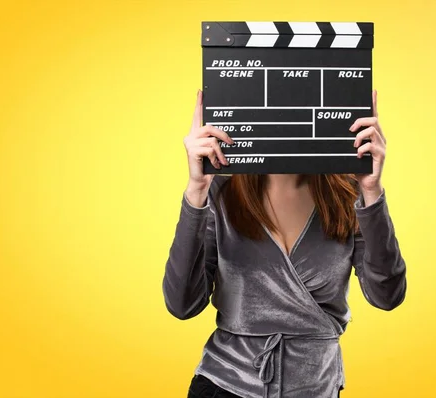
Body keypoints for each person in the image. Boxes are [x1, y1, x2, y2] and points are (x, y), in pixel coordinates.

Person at [162, 89, 407, 398]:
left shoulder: (349, 193)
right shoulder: (221, 192)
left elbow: (387, 295)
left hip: (316, 387)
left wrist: (372, 192)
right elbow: (182, 304)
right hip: (225, 385)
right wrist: (196, 191)